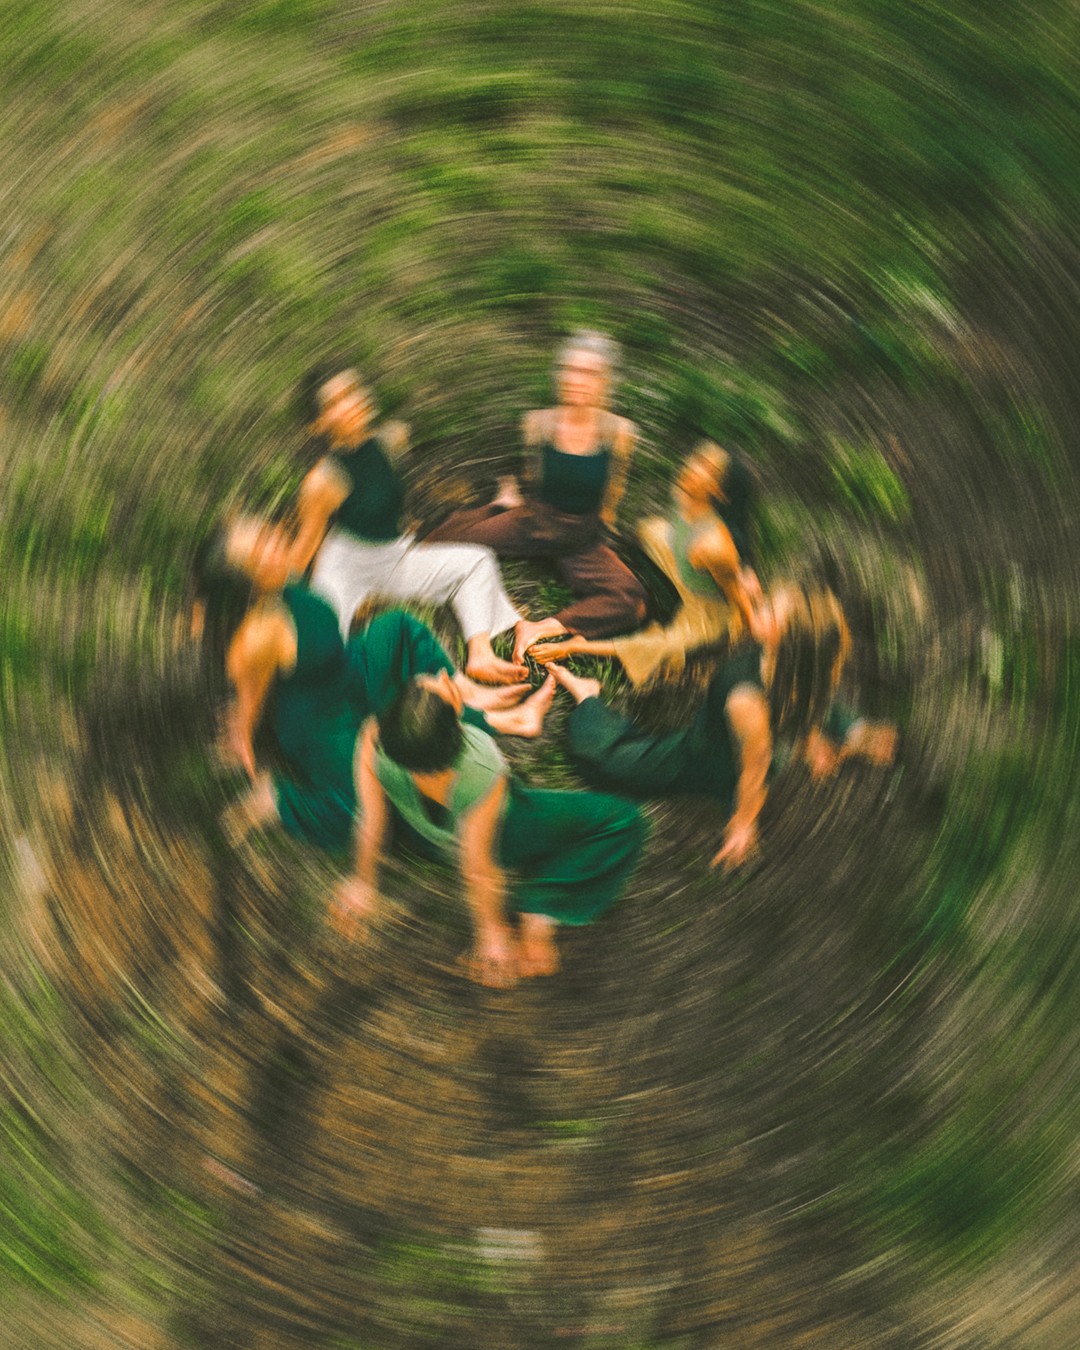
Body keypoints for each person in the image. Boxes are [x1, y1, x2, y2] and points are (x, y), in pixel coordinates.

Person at [194, 514, 556, 855]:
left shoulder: (283, 576)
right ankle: (275, 801)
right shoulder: (255, 639)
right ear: (248, 584)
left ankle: (466, 693)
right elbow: (252, 696)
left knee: (397, 628)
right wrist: (244, 742)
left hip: (348, 670)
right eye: (259, 552)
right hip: (323, 720)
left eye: (264, 533)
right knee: (363, 803)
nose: (274, 540)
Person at [549, 584, 897, 870]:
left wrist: (743, 823)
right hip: (745, 739)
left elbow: (755, 767)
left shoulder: (746, 701)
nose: (760, 607)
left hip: (709, 757)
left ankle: (587, 695)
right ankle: (856, 734)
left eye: (768, 611)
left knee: (606, 762)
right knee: (814, 731)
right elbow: (806, 711)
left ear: (785, 638)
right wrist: (812, 740)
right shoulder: (805, 670)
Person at [336, 671, 649, 987]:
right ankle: (540, 914)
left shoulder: (374, 736)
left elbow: (371, 819)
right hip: (505, 832)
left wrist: (362, 882)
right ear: (456, 731)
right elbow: (478, 869)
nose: (444, 676)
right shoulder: (479, 762)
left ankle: (521, 717)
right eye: (442, 689)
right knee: (622, 821)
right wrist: (492, 933)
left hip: (432, 838)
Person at [291, 367, 527, 684]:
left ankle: (481, 655)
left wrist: (403, 525)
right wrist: (286, 601)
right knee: (324, 654)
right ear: (319, 425)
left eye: (353, 391)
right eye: (335, 402)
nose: (351, 402)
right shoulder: (323, 480)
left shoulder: (391, 439)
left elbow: (387, 493)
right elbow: (305, 548)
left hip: (393, 556)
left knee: (477, 562)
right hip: (345, 567)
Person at [423, 330, 648, 662]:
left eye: (589, 373)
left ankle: (539, 627)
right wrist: (513, 504)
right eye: (571, 370)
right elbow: (533, 475)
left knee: (633, 601)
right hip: (533, 523)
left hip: (580, 541)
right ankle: (498, 506)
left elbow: (614, 487)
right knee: (440, 539)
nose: (577, 379)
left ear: (605, 382)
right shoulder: (537, 423)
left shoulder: (619, 432)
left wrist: (603, 530)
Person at [530, 441, 760, 685]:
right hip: (684, 577)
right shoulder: (686, 500)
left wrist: (747, 633)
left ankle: (579, 646)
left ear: (720, 492)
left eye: (709, 470)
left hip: (706, 615)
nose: (692, 466)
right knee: (650, 531)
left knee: (656, 647)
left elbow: (739, 601)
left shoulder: (714, 547)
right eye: (698, 459)